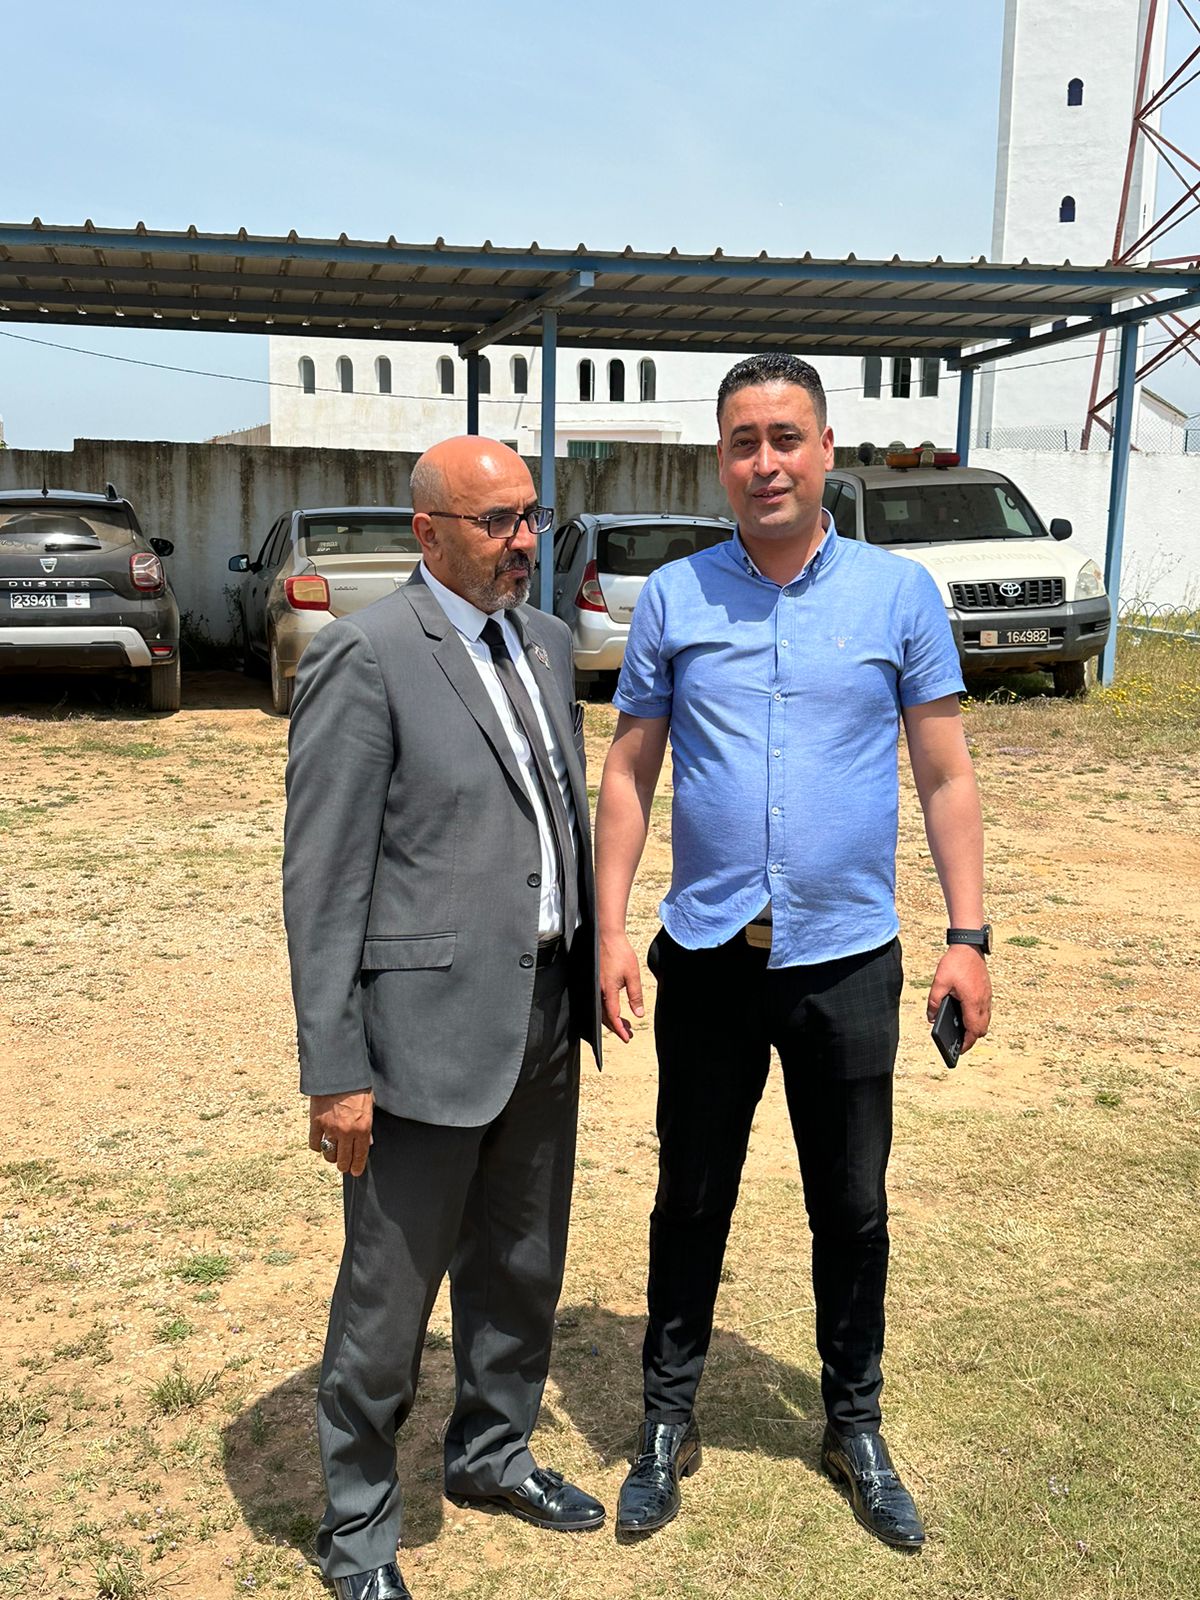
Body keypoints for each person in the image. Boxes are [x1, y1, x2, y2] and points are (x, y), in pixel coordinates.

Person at [595, 353, 992, 1550]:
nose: (764, 462)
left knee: (852, 1206)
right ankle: (666, 1421)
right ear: (719, 461)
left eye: (784, 438)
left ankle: (852, 1422)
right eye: (742, 442)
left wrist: (968, 936)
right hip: (709, 955)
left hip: (849, 957)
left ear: (826, 451)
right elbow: (630, 770)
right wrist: (609, 928)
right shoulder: (674, 598)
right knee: (690, 1195)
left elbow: (946, 773)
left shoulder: (898, 596)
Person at [283, 436, 604, 1600]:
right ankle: (360, 1532)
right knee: (389, 1296)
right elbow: (322, 881)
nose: (523, 541)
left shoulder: (546, 642)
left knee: (521, 1262)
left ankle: (492, 1451)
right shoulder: (364, 656)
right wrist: (335, 1066)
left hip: (544, 1013)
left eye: (531, 516)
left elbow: (550, 824)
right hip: (418, 1037)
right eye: (496, 522)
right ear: (428, 532)